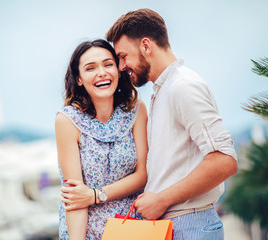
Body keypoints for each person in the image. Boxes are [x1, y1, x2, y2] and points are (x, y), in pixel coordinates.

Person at [106, 8, 238, 239]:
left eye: (123, 56)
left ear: (146, 46)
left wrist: (161, 199)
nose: (120, 66)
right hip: (177, 225)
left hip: (191, 225)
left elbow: (225, 160)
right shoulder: (164, 89)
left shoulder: (183, 87)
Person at [55, 39, 148, 240]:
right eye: (90, 68)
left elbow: (143, 175)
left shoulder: (136, 110)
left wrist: (96, 195)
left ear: (118, 70)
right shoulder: (67, 121)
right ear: (79, 78)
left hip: (132, 229)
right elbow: (75, 198)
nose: (102, 73)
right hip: (88, 233)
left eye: (108, 64)